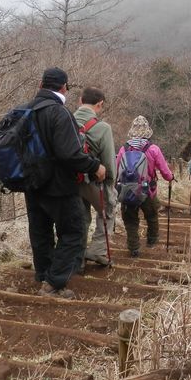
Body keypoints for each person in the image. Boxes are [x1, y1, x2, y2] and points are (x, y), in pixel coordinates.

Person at [24, 67, 105, 299]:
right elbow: (70, 154)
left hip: (31, 184)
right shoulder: (59, 113)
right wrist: (95, 167)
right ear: (64, 88)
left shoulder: (26, 110)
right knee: (74, 232)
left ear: (41, 85)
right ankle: (54, 283)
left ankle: (44, 275)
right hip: (59, 185)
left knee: (40, 231)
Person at [116, 115, 174, 257]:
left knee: (130, 220)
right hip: (148, 191)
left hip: (128, 190)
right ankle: (152, 240)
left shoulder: (124, 149)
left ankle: (134, 248)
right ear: (147, 131)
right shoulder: (153, 149)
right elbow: (165, 171)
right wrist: (170, 177)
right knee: (152, 216)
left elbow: (116, 169)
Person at [73, 87, 116, 268]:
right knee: (107, 211)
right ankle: (98, 251)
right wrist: (110, 184)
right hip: (94, 181)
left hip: (70, 181)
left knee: (80, 218)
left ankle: (78, 256)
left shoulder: (66, 121)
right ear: (100, 104)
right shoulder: (103, 128)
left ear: (80, 101)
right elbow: (109, 162)